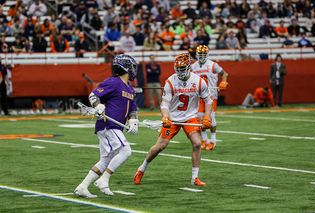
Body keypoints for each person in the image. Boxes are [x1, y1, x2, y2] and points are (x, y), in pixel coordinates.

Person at [134, 53, 213, 186]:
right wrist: (165, 116)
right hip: (173, 117)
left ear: (189, 66)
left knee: (197, 143)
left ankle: (194, 178)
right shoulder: (171, 81)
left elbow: (208, 100)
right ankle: (142, 168)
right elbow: (165, 103)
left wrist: (207, 117)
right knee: (160, 146)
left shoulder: (198, 81)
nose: (180, 71)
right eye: (178, 68)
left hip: (190, 117)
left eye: (183, 68)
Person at [74, 54, 139, 198]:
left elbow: (133, 109)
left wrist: (133, 121)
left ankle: (82, 187)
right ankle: (104, 179)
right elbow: (93, 95)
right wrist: (98, 106)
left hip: (116, 127)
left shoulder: (131, 89)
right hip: (108, 125)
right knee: (126, 151)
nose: (134, 70)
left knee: (106, 159)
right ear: (127, 68)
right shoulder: (113, 82)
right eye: (132, 67)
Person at [192, 45, 229, 150]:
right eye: (201, 54)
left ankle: (213, 140)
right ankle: (205, 139)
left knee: (210, 118)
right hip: (199, 96)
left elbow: (224, 73)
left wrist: (224, 81)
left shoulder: (213, 65)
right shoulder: (193, 66)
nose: (202, 56)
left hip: (211, 96)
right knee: (199, 117)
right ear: (197, 54)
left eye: (204, 54)